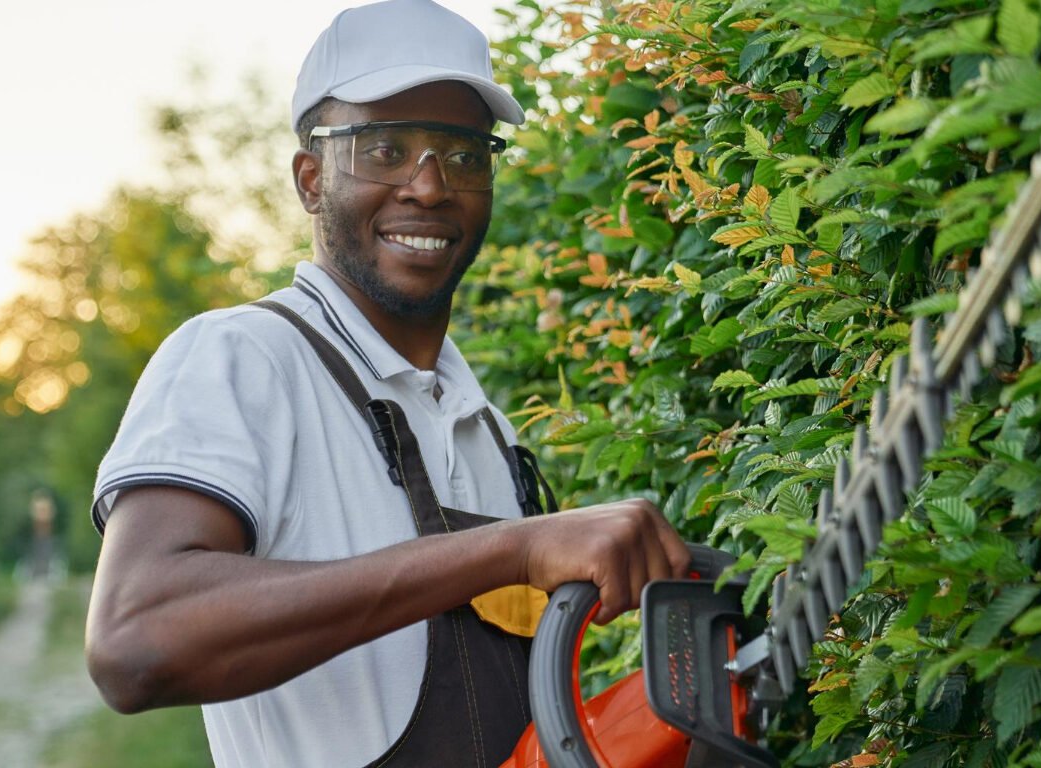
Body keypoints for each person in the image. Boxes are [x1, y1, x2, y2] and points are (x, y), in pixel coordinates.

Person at [84, 2, 691, 766]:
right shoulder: (241, 357)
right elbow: (135, 640)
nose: (429, 186)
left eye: (464, 153)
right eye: (383, 148)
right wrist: (512, 550)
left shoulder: (487, 431)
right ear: (311, 179)